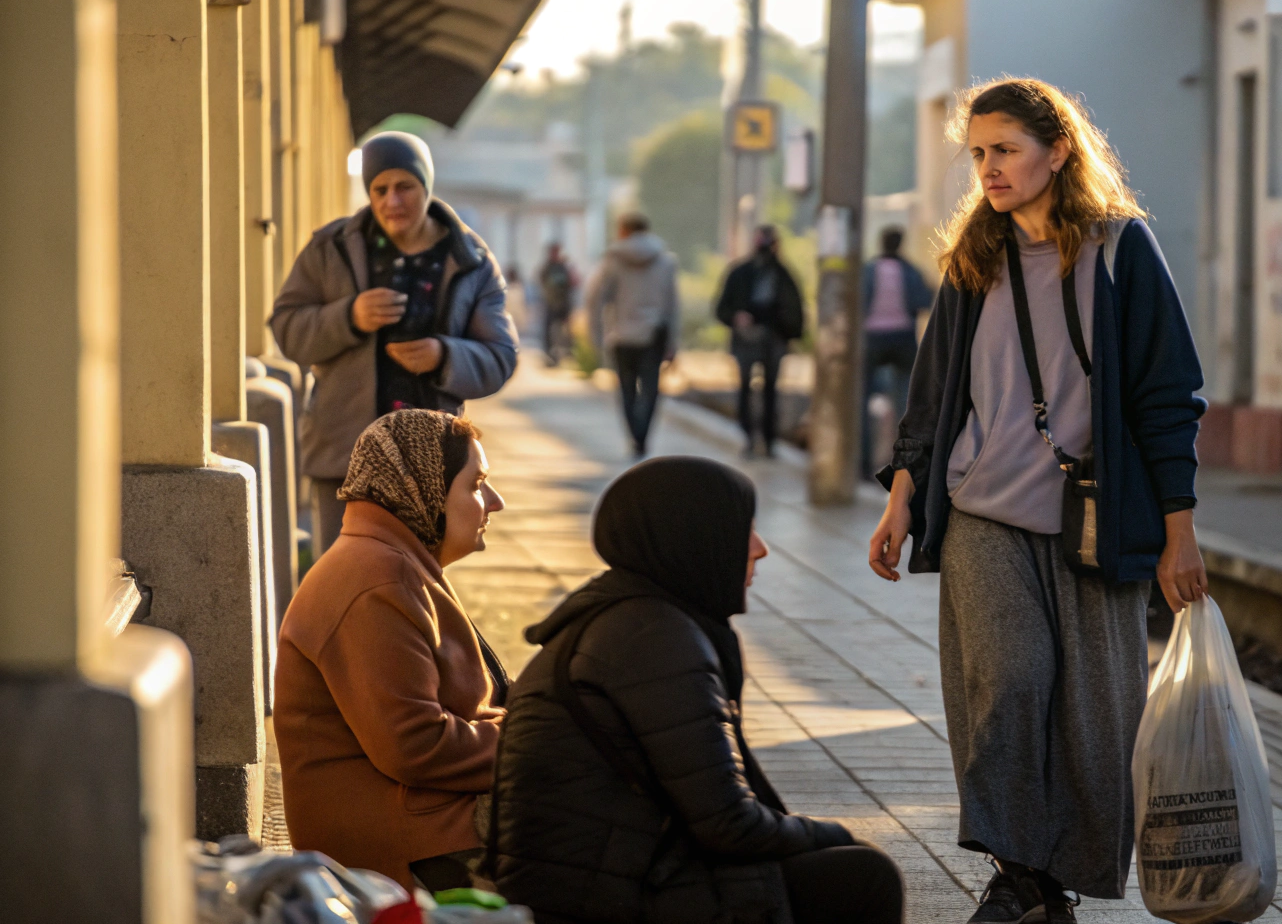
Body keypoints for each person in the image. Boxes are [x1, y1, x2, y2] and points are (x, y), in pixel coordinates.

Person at [867, 78, 1208, 924]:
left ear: (1057, 151)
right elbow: (933, 391)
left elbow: (1168, 398)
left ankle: (1048, 887)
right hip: (982, 509)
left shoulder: (1121, 252)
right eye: (978, 153)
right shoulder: (970, 262)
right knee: (1007, 684)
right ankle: (1017, 874)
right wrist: (901, 497)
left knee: (1096, 714)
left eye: (1005, 150)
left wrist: (1180, 534)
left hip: (1093, 513)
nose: (987, 167)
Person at [490, 457, 904, 924]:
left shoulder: (629, 617)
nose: (760, 549)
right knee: (865, 876)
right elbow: (728, 825)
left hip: (605, 877)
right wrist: (832, 833)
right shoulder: (653, 639)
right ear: (693, 538)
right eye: (742, 528)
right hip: (605, 899)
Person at [274, 409, 509, 892]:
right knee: (599, 833)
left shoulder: (394, 561)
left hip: (424, 817)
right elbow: (416, 746)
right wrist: (534, 746)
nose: (496, 502)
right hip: (403, 843)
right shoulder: (378, 579)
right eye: (477, 485)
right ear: (423, 490)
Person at [271, 131, 518, 557]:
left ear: (427, 187)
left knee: (418, 577)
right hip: (344, 448)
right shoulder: (330, 248)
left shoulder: (470, 258)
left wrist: (445, 356)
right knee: (342, 573)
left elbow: (501, 355)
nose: (392, 201)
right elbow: (287, 330)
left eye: (405, 187)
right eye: (379, 189)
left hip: (431, 463)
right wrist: (348, 316)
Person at [586, 213, 681, 456]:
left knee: (626, 390)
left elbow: (595, 299)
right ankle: (643, 437)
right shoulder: (666, 262)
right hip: (654, 335)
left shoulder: (613, 261)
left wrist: (596, 336)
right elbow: (673, 306)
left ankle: (634, 435)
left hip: (621, 336)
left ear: (624, 231)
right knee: (650, 389)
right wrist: (673, 343)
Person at [716, 225, 804, 457]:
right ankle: (749, 436)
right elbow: (722, 308)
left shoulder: (782, 275)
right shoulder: (741, 273)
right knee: (747, 389)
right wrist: (737, 317)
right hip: (747, 340)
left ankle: (767, 439)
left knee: (770, 391)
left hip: (774, 339)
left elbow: (794, 310)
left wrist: (788, 332)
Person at [861, 225, 934, 476]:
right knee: (906, 404)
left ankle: (863, 464)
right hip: (903, 339)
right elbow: (924, 300)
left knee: (863, 401)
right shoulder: (910, 270)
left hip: (872, 339)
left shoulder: (868, 270)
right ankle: (903, 465)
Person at [537, 241, 578, 364]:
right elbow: (543, 285)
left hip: (564, 304)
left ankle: (568, 353)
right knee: (548, 331)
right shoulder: (547, 268)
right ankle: (550, 355)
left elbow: (573, 283)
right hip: (551, 303)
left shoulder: (564, 267)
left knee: (567, 331)